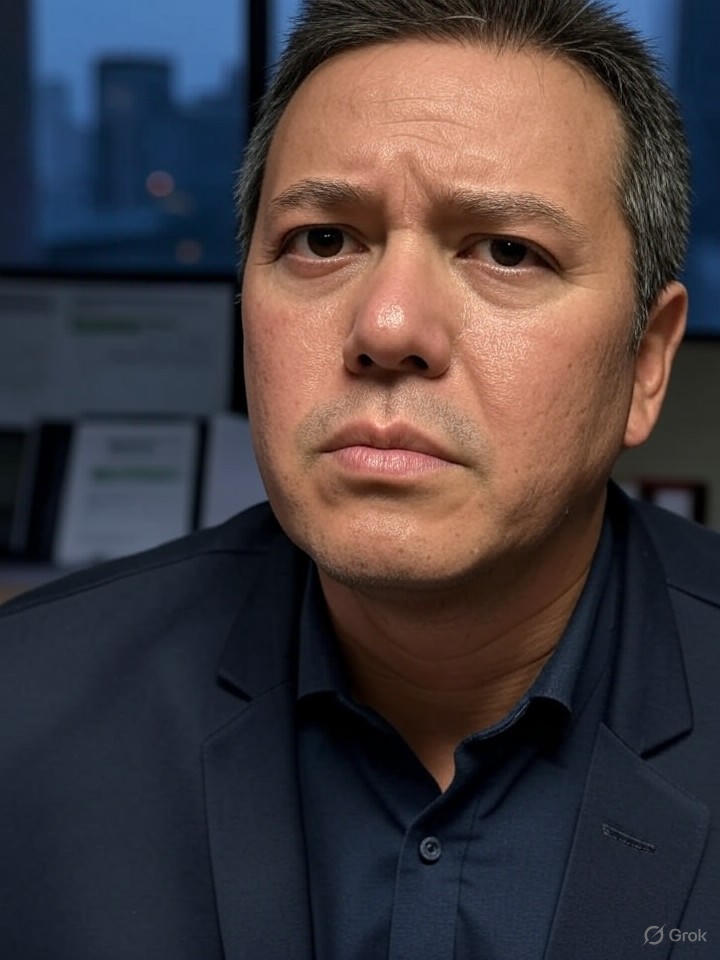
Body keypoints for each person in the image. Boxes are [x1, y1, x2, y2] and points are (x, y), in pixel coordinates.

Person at [1, 0, 718, 957]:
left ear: (647, 364)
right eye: (324, 241)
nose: (386, 328)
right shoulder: (24, 710)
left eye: (508, 251)